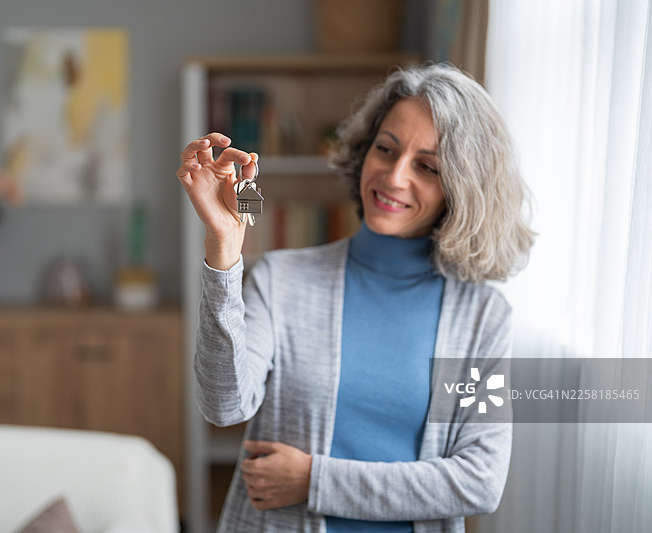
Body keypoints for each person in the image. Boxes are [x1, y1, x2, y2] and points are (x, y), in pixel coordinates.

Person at [176, 63, 534, 533]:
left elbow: (479, 481)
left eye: (427, 166)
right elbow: (225, 406)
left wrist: (313, 480)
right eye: (386, 149)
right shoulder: (283, 280)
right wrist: (224, 249)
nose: (394, 176)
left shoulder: (481, 317)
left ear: (463, 188)